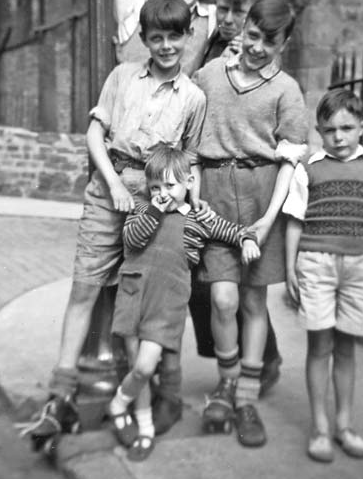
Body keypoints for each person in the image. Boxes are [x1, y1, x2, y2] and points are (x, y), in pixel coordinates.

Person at [21, 0, 207, 452]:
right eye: (157, 37)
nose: (166, 46)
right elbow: (94, 134)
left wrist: (191, 213)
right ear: (144, 40)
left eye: (174, 37)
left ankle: (146, 402)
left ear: (188, 37)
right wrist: (115, 185)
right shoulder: (123, 76)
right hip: (110, 189)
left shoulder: (194, 97)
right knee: (85, 286)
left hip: (158, 199)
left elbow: (190, 162)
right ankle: (60, 395)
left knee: (146, 302)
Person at [193, 0, 308, 447]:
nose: (259, 47)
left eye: (270, 41)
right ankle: (225, 381)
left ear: (286, 41)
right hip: (215, 195)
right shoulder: (209, 75)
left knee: (253, 301)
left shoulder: (287, 90)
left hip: (262, 195)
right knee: (222, 298)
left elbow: (290, 161)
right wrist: (194, 200)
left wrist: (267, 220)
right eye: (254, 36)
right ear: (244, 29)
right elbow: (189, 132)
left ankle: (246, 397)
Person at [108, 145, 260, 461]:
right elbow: (132, 240)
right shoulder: (141, 208)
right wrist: (155, 209)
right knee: (140, 367)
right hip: (135, 293)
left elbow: (230, 231)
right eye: (155, 187)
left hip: (167, 303)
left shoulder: (198, 219)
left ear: (189, 182)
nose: (162, 193)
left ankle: (119, 403)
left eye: (170, 186)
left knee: (145, 366)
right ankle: (145, 429)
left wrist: (247, 240)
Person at [188, 0, 283, 400]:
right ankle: (232, 367)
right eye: (222, 9)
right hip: (206, 181)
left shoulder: (257, 59)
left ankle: (263, 363)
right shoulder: (210, 47)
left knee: (247, 288)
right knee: (214, 286)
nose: (227, 20)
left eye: (238, 13)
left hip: (247, 183)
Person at [283, 88, 363, 463]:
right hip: (316, 264)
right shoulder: (309, 170)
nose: (338, 137)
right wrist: (290, 267)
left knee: (347, 347)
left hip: (360, 266)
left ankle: (344, 425)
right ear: (318, 131)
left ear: (362, 127)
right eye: (329, 130)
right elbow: (294, 221)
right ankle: (320, 427)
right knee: (319, 346)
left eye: (346, 128)